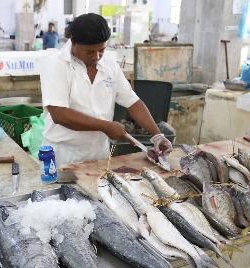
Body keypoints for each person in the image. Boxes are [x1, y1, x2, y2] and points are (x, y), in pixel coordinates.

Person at [40, 13, 172, 165]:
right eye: (90, 52)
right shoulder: (56, 65)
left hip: (99, 154)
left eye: (101, 50)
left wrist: (157, 135)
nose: (96, 57)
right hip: (63, 155)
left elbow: (132, 101)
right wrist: (105, 126)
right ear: (74, 42)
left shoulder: (110, 67)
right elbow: (59, 114)